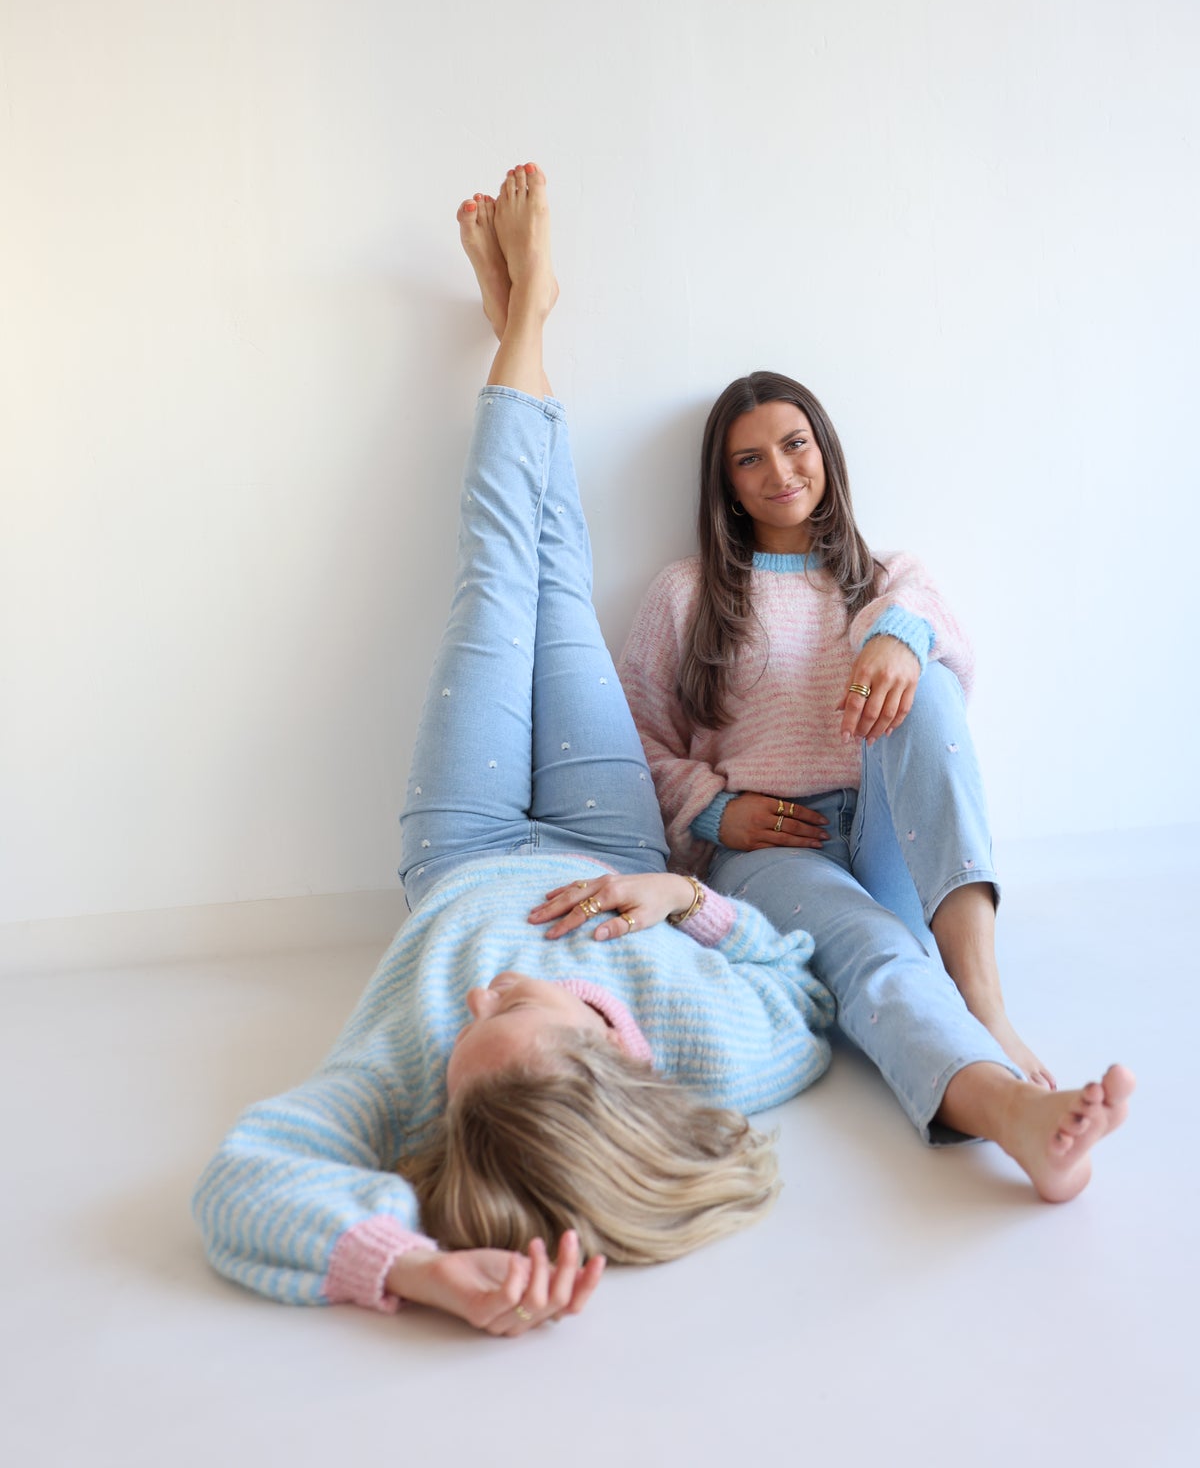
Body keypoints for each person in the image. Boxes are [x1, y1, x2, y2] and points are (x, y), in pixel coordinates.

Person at [192, 166, 834, 1338]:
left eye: (467, 1030)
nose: (480, 993)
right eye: (515, 1011)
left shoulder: (419, 1077)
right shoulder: (710, 1051)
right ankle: (523, 323)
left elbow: (243, 1183)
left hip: (465, 845)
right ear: (608, 1053)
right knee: (557, 581)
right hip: (610, 842)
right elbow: (802, 991)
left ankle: (524, 321)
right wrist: (685, 898)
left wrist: (414, 1270)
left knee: (497, 577)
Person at [619, 371, 1134, 1197]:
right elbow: (634, 740)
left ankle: (983, 1003)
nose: (780, 471)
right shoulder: (685, 592)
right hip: (776, 854)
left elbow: (944, 677)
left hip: (898, 836)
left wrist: (898, 633)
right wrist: (714, 812)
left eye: (795, 444)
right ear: (727, 485)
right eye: (749, 459)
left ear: (824, 449)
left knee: (926, 678)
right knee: (875, 949)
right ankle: (1014, 1115)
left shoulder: (893, 576)